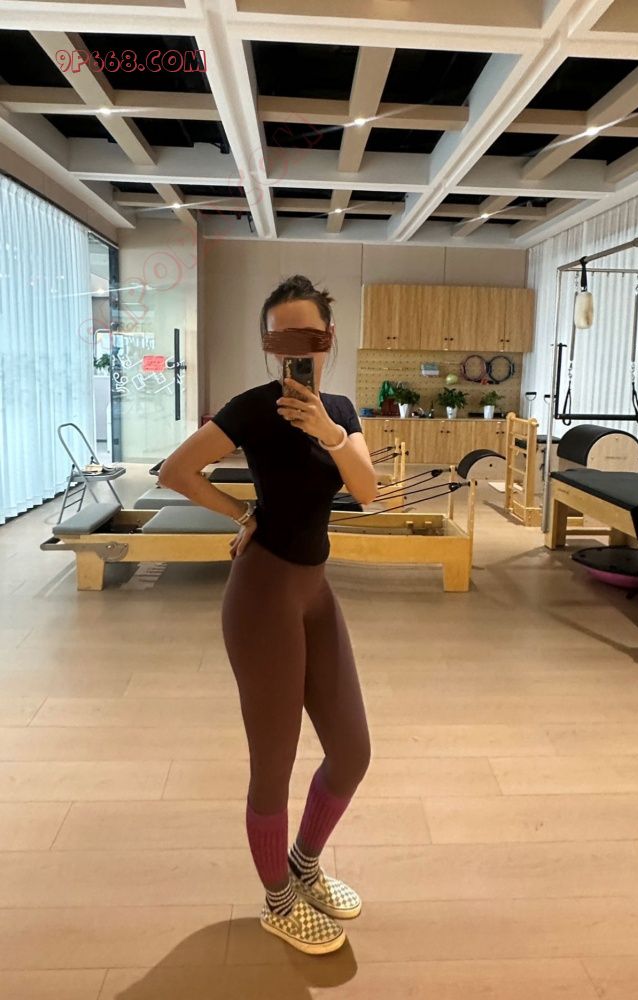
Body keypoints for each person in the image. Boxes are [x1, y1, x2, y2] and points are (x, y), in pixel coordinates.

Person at [159, 275, 377, 955]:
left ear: (328, 339)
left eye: (307, 337)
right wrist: (242, 511)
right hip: (261, 596)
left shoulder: (340, 410)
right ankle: (278, 900)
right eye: (280, 340)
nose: (294, 351)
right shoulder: (252, 408)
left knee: (352, 751)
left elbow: (367, 491)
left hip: (315, 591)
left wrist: (331, 434)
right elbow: (175, 471)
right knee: (273, 765)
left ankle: (304, 866)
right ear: (267, 345)